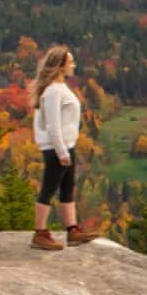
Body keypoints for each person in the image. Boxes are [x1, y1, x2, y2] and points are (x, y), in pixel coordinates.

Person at [29, 46, 93, 251]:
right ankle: (40, 233)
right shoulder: (53, 91)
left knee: (67, 187)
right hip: (57, 148)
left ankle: (72, 230)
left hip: (66, 146)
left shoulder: (60, 87)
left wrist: (67, 148)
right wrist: (62, 152)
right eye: (70, 61)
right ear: (60, 65)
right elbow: (53, 125)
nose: (73, 65)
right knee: (49, 187)